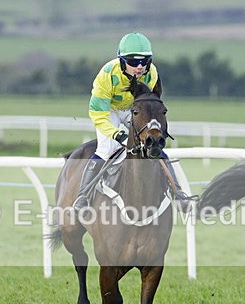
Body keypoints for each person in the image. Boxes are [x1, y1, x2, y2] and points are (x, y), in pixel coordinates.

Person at [73, 32, 190, 211]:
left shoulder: (151, 73)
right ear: (121, 61)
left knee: (154, 145)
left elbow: (149, 105)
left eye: (145, 61)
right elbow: (98, 115)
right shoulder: (106, 76)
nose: (140, 67)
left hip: (134, 109)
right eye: (134, 62)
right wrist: (116, 134)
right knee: (106, 149)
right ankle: (83, 196)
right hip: (109, 110)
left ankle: (178, 192)